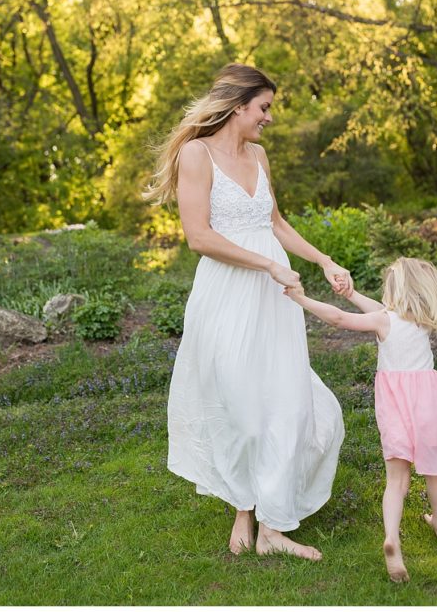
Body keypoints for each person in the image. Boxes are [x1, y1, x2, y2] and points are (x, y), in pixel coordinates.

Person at [145, 63, 350, 560]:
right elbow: (199, 237)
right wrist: (267, 266)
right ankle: (244, 507)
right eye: (264, 107)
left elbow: (275, 222)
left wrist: (323, 260)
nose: (269, 118)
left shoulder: (258, 155)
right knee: (241, 406)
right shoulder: (197, 154)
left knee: (286, 400)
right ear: (238, 105)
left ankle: (275, 528)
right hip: (228, 295)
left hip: (273, 297)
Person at [285, 257, 437, 582]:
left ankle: (392, 539)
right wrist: (350, 293)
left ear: (396, 289)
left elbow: (340, 320)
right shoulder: (421, 318)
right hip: (432, 405)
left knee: (397, 480)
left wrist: (300, 298)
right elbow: (377, 308)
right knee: (436, 471)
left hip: (396, 407)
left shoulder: (385, 321)